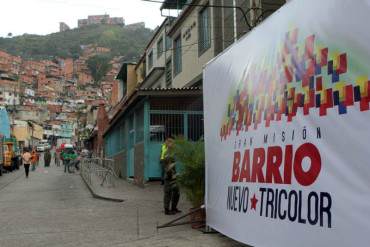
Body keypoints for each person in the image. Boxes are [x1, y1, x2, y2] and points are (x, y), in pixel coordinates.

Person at [161, 136, 181, 215]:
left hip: (173, 175)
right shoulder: (167, 153)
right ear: (168, 143)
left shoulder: (172, 152)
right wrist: (172, 175)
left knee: (176, 192)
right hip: (169, 176)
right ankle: (167, 210)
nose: (173, 144)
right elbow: (167, 167)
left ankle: (174, 208)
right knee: (168, 193)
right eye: (172, 142)